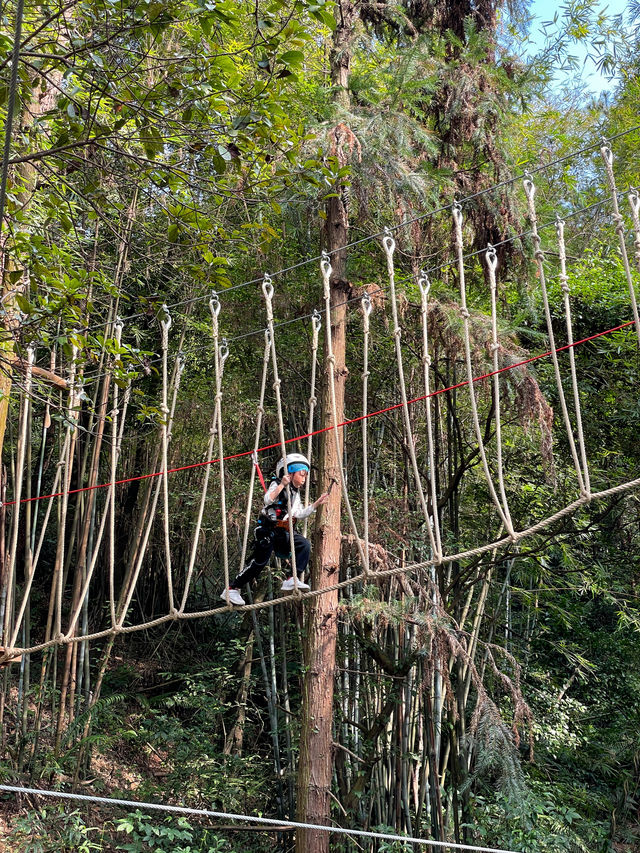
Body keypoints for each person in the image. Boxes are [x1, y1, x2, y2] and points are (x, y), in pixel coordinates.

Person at [220, 453, 329, 606]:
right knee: (259, 562)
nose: (304, 479)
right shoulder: (277, 484)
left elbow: (299, 513)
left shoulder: (295, 493)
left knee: (303, 544)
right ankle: (232, 588)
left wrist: (316, 504)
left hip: (282, 533)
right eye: (302, 475)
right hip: (267, 530)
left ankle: (292, 578)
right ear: (290, 473)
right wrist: (282, 485)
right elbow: (268, 499)